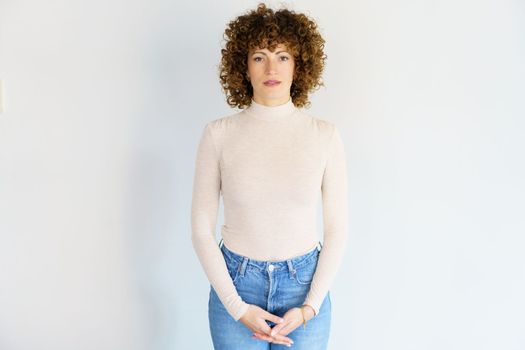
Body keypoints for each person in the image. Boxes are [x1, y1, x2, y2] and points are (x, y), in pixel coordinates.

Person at [190, 3, 348, 349]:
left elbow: (337, 230)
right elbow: (201, 230)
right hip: (237, 285)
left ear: (299, 65)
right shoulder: (218, 135)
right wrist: (238, 308)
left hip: (305, 288)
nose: (271, 67)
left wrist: (309, 308)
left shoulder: (324, 135)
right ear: (243, 67)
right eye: (259, 56)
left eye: (283, 56)